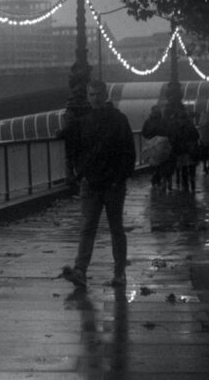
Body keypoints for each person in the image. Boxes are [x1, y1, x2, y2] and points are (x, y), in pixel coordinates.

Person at [58, 80, 136, 288]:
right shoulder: (90, 121)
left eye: (97, 94)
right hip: (94, 183)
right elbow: (72, 144)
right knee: (90, 227)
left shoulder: (117, 119)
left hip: (110, 184)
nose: (94, 98)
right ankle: (82, 270)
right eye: (91, 95)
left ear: (105, 95)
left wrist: (118, 179)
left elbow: (128, 153)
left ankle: (117, 272)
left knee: (113, 228)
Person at [140, 105, 172, 190]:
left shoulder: (148, 121)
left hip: (151, 144)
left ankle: (155, 178)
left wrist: (150, 136)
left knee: (154, 163)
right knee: (161, 163)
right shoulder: (163, 121)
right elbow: (167, 131)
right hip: (161, 144)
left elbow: (144, 132)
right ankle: (158, 179)